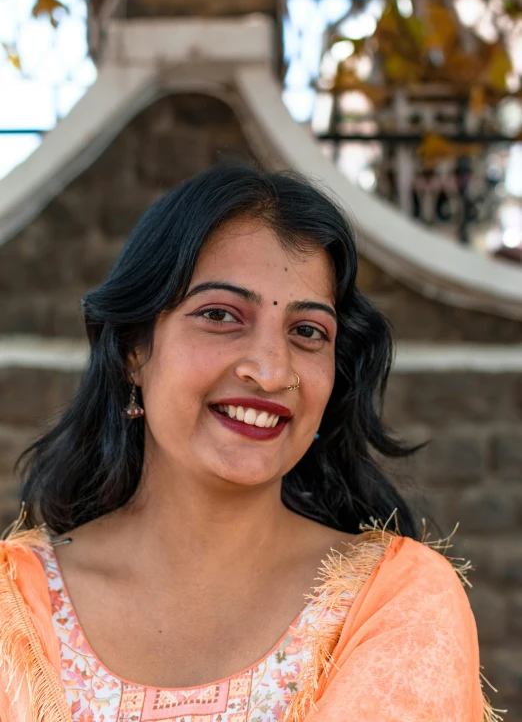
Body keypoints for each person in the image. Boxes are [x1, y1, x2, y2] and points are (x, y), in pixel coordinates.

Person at [0, 163, 503, 722]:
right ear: (133, 352)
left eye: (308, 331)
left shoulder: (397, 603)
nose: (270, 371)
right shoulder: (15, 610)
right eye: (220, 315)